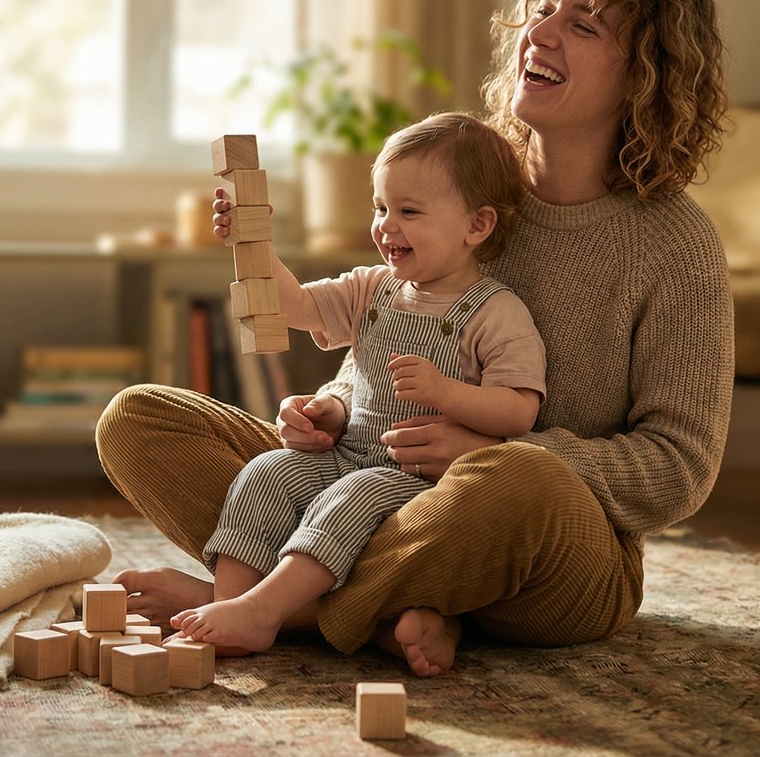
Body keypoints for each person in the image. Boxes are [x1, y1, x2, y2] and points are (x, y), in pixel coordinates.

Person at [95, 0, 733, 678]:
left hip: (537, 541)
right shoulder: (470, 183)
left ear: (644, 78)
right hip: (372, 482)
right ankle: (386, 609)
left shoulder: (676, 243)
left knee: (517, 484)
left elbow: (679, 468)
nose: (541, 31)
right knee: (139, 419)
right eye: (542, 7)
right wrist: (334, 403)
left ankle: (272, 604)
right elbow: (394, 319)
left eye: (582, 23)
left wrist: (494, 453)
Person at [169, 112, 546, 655]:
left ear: (477, 226)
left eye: (409, 211)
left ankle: (269, 610)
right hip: (347, 454)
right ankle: (235, 606)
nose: (386, 226)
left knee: (354, 492)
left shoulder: (497, 313)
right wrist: (253, 242)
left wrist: (446, 393)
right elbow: (296, 305)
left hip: (419, 481)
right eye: (381, 208)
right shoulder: (375, 287)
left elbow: (519, 411)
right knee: (267, 470)